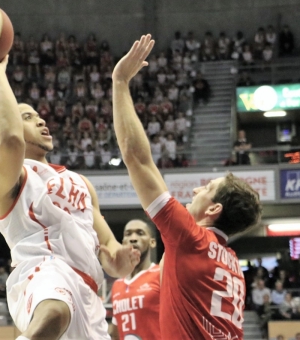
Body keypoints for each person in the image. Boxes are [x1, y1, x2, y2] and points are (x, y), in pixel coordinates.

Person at [0, 45, 140, 340]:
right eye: (27, 117)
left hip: (90, 294)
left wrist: (120, 260)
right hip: (41, 271)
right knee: (55, 311)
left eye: (38, 115)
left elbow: (107, 246)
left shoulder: (81, 183)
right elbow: (11, 140)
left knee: (61, 312)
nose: (40, 120)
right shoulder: (6, 178)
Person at [112, 34, 262, 339]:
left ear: (214, 208)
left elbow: (137, 158)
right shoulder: (231, 264)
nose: (195, 192)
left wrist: (120, 82)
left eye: (205, 188)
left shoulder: (191, 239)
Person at [109, 220, 161, 340]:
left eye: (140, 233)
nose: (133, 238)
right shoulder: (117, 285)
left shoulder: (161, 273)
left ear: (152, 242)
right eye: (128, 234)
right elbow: (115, 333)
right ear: (123, 243)